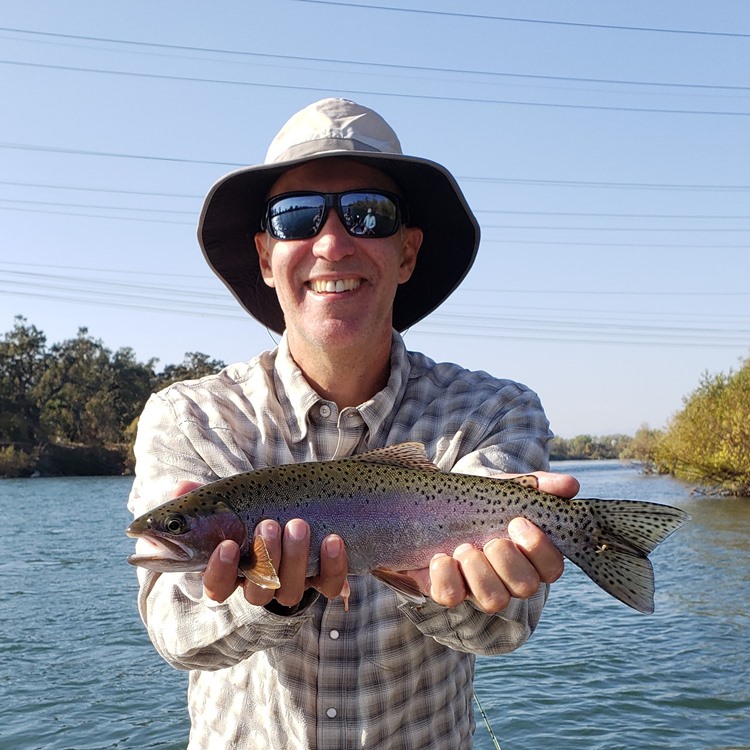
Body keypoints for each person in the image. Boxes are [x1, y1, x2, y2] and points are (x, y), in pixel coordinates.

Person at [128, 97, 578, 750]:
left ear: (408, 253)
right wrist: (269, 599)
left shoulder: (493, 413)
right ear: (264, 256)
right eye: (297, 218)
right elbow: (177, 633)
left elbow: (505, 628)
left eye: (370, 215)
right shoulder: (193, 416)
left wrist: (455, 591)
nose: (333, 243)